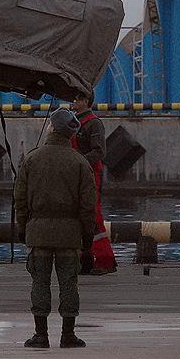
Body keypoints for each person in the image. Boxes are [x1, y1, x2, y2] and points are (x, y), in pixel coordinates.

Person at [15, 108, 96, 349]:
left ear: (51, 127)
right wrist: (87, 238)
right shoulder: (80, 162)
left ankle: (40, 335)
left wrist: (23, 228)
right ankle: (68, 335)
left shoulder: (31, 159)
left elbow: (20, 199)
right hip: (69, 235)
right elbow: (88, 206)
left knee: (39, 282)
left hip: (38, 231)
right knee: (69, 283)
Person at [70, 93, 116, 275]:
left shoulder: (93, 123)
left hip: (90, 176)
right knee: (79, 217)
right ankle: (86, 260)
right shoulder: (75, 122)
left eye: (76, 99)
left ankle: (105, 261)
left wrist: (78, 161)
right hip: (78, 175)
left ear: (85, 102)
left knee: (94, 217)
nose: (73, 101)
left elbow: (99, 151)